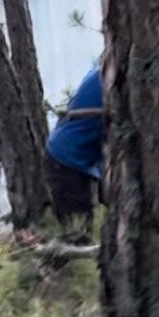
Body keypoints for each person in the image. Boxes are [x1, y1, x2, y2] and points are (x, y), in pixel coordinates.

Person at [44, 66, 104, 239]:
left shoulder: (101, 71)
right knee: (78, 235)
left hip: (69, 154)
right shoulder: (115, 78)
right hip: (66, 159)